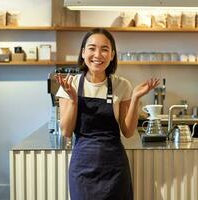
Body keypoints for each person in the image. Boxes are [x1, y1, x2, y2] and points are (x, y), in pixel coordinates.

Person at [55, 28, 159, 200]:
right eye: (92, 48)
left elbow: (127, 131)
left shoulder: (122, 85)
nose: (98, 54)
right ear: (82, 53)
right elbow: (66, 131)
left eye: (104, 49)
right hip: (82, 168)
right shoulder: (70, 84)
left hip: (115, 169)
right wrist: (73, 99)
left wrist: (134, 98)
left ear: (112, 55)